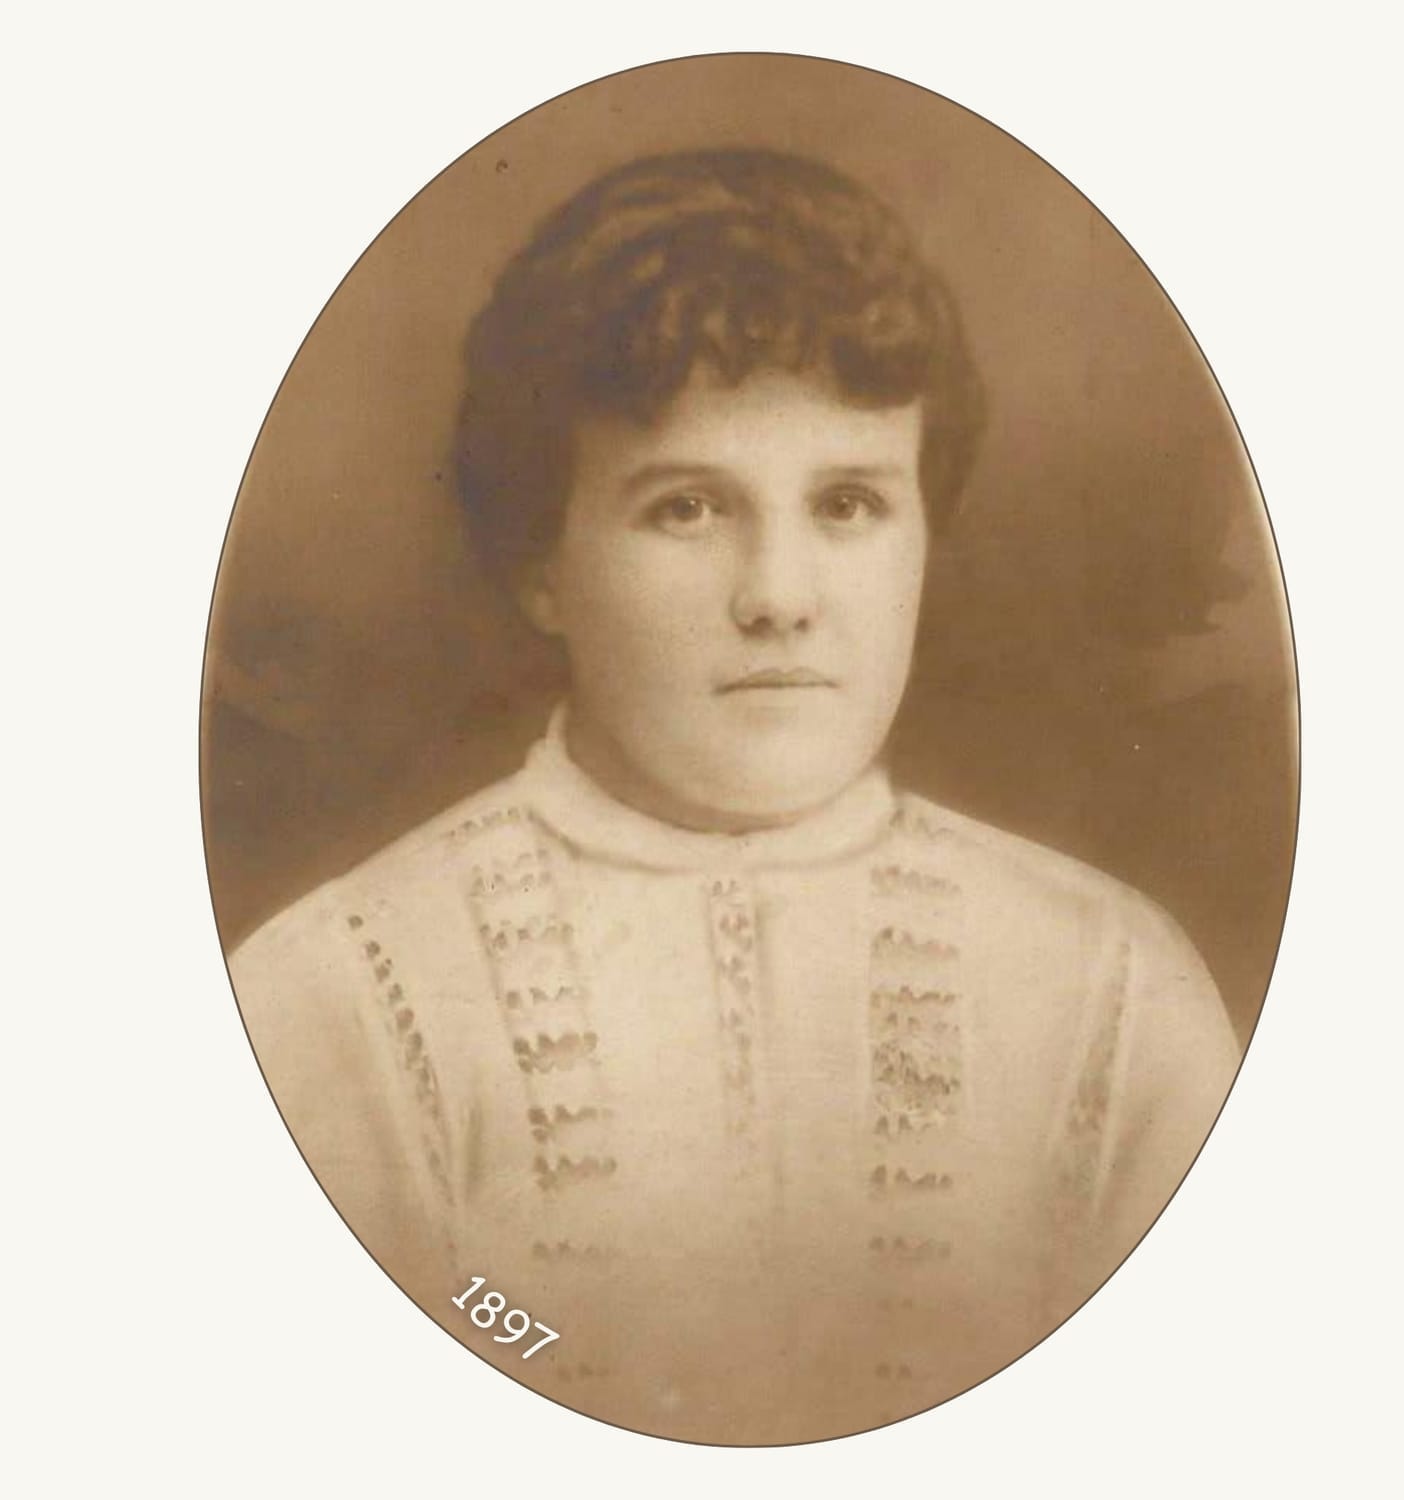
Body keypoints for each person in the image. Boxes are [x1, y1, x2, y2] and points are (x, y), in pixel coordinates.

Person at [227, 148, 1241, 1444]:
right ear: (543, 562)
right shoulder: (338, 998)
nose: (780, 595)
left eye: (849, 504)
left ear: (925, 537)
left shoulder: (1114, 987)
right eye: (689, 507)